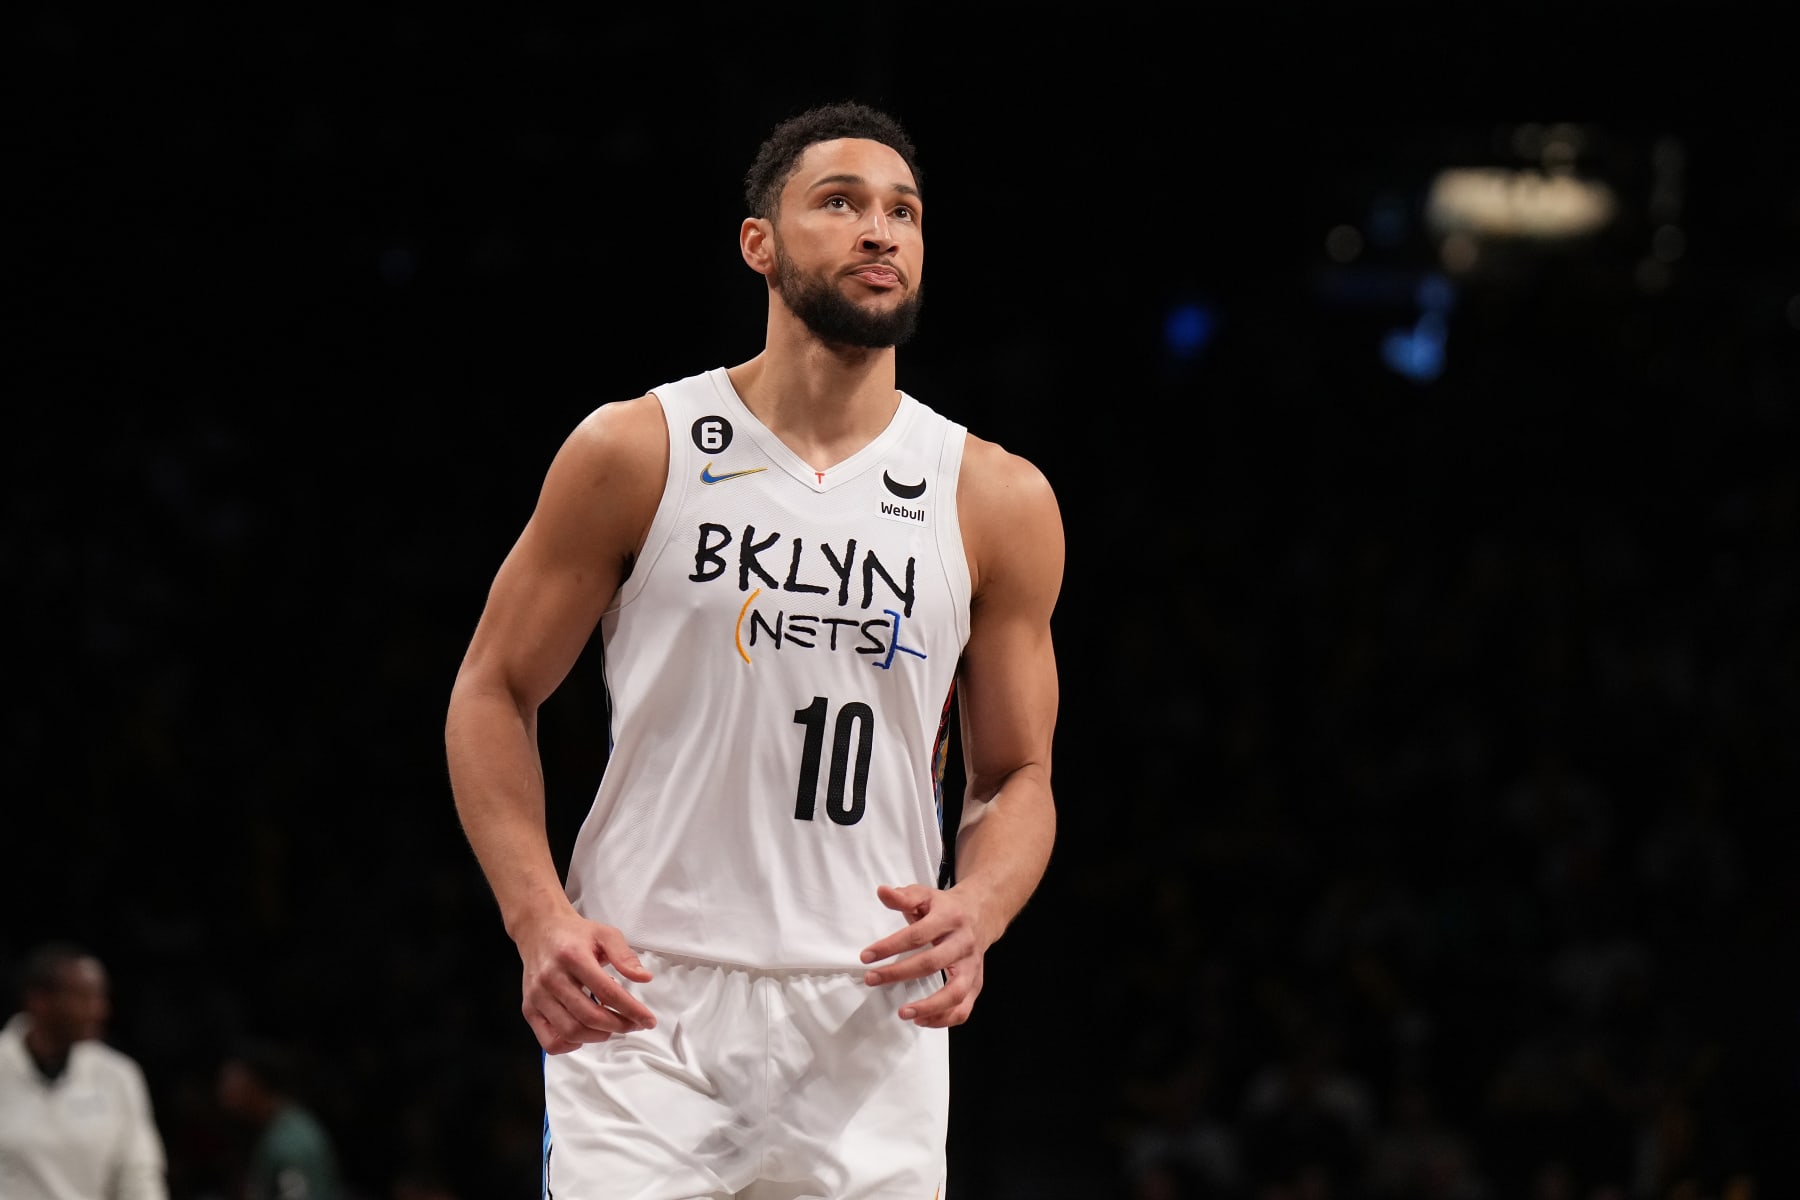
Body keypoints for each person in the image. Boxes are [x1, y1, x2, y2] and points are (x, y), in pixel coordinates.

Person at [445, 99, 1063, 1198]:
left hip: (873, 1009)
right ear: (759, 245)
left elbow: (1016, 773)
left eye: (904, 212)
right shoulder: (638, 448)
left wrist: (982, 905)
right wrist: (537, 915)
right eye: (841, 203)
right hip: (646, 997)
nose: (882, 231)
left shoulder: (995, 497)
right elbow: (492, 690)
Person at [0, 940, 170, 1199]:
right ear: (39, 1001)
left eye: (100, 997)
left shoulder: (118, 1075)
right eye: (83, 998)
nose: (99, 1010)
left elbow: (139, 1174)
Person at [214, 1038, 342, 1200]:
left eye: (230, 1080)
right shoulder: (274, 1128)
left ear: (254, 1082)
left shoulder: (291, 1141)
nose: (221, 1091)